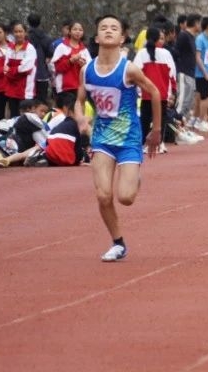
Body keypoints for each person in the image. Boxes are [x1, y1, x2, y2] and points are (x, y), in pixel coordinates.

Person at [74, 15, 162, 262]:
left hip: (129, 138)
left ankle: (134, 177)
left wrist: (156, 130)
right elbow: (79, 101)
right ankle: (118, 242)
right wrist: (81, 119)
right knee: (103, 195)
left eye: (114, 28)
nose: (109, 31)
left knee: (126, 197)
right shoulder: (86, 70)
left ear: (122, 37)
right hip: (101, 138)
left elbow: (154, 92)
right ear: (96, 37)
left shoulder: (129, 68)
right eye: (104, 28)